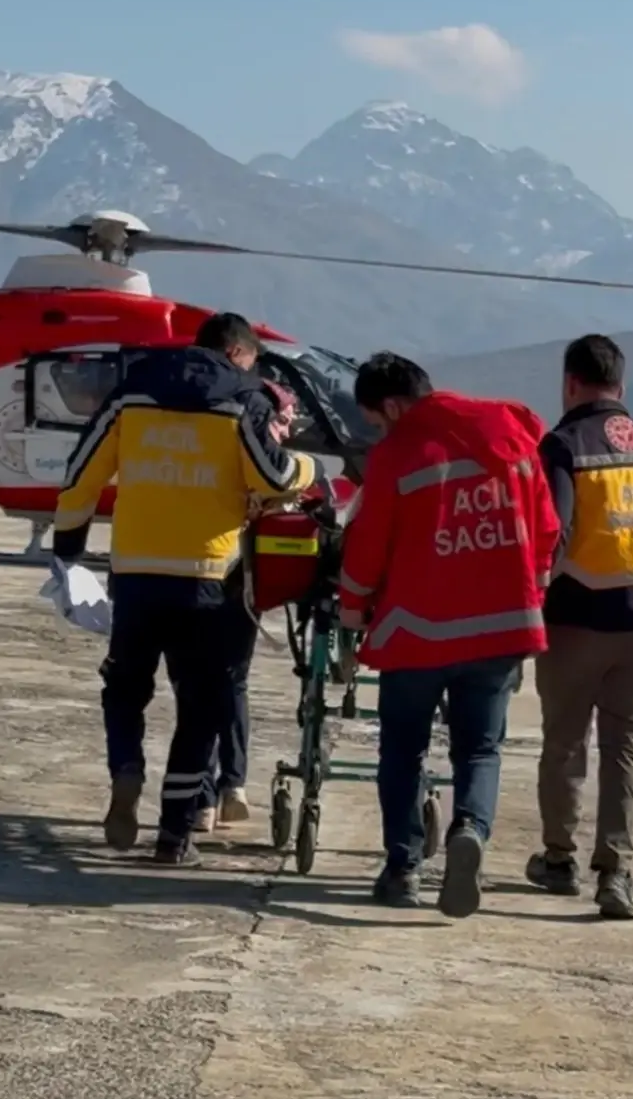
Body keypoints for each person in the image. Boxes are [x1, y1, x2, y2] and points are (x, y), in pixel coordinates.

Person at [53, 312, 325, 865]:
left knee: (125, 686)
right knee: (202, 704)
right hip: (208, 578)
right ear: (240, 355)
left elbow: (82, 471)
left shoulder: (133, 390)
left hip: (136, 573)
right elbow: (271, 479)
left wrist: (68, 545)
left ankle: (126, 769)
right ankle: (175, 834)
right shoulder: (243, 397)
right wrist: (309, 468)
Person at [337, 353, 560, 918]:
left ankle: (403, 866)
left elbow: (367, 546)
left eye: (375, 421)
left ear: (392, 406)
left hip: (416, 631)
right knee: (480, 749)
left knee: (403, 750)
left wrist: (353, 610)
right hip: (501, 628)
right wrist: (528, 596)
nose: (377, 432)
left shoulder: (398, 455)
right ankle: (471, 832)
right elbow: (547, 531)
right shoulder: (512, 438)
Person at [525, 334, 633, 921]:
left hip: (580, 614)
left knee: (565, 741)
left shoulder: (563, 445)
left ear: (570, 383)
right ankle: (617, 873)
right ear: (621, 384)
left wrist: (529, 596)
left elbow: (553, 533)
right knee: (627, 745)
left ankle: (559, 860)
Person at [193, 378, 300, 833]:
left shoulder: (207, 442)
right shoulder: (266, 458)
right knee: (232, 682)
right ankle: (231, 783)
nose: (287, 431)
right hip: (239, 579)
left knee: (197, 687)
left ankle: (202, 799)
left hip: (195, 572)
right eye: (283, 421)